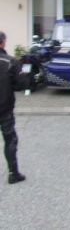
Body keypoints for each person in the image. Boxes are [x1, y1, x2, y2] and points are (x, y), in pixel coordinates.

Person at [0, 31, 26, 184]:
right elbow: (21, 84)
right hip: (5, 107)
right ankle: (12, 172)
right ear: (3, 42)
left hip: (5, 106)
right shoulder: (11, 62)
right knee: (10, 139)